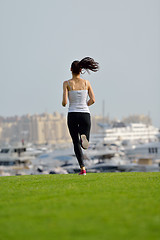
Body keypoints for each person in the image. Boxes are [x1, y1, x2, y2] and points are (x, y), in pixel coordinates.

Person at [62, 57, 99, 175]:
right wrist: (85, 105)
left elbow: (64, 103)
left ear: (71, 69)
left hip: (72, 114)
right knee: (85, 143)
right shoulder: (86, 83)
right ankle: (84, 138)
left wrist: (66, 99)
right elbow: (93, 99)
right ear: (81, 70)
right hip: (85, 114)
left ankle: (82, 168)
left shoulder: (67, 83)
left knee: (75, 142)